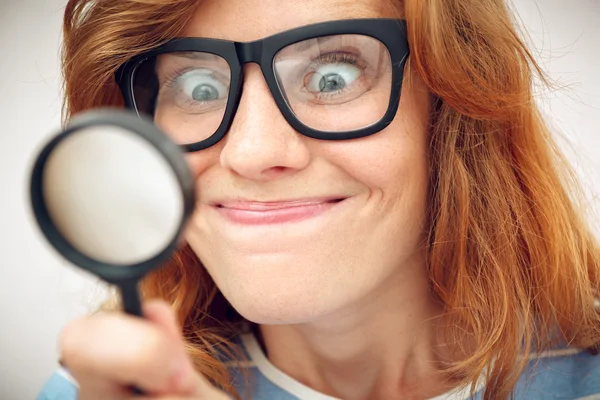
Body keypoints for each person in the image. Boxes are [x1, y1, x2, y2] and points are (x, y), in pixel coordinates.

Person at [37, 0, 600, 399]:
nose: (253, 153)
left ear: (451, 110)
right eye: (198, 88)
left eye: (332, 77)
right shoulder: (99, 392)